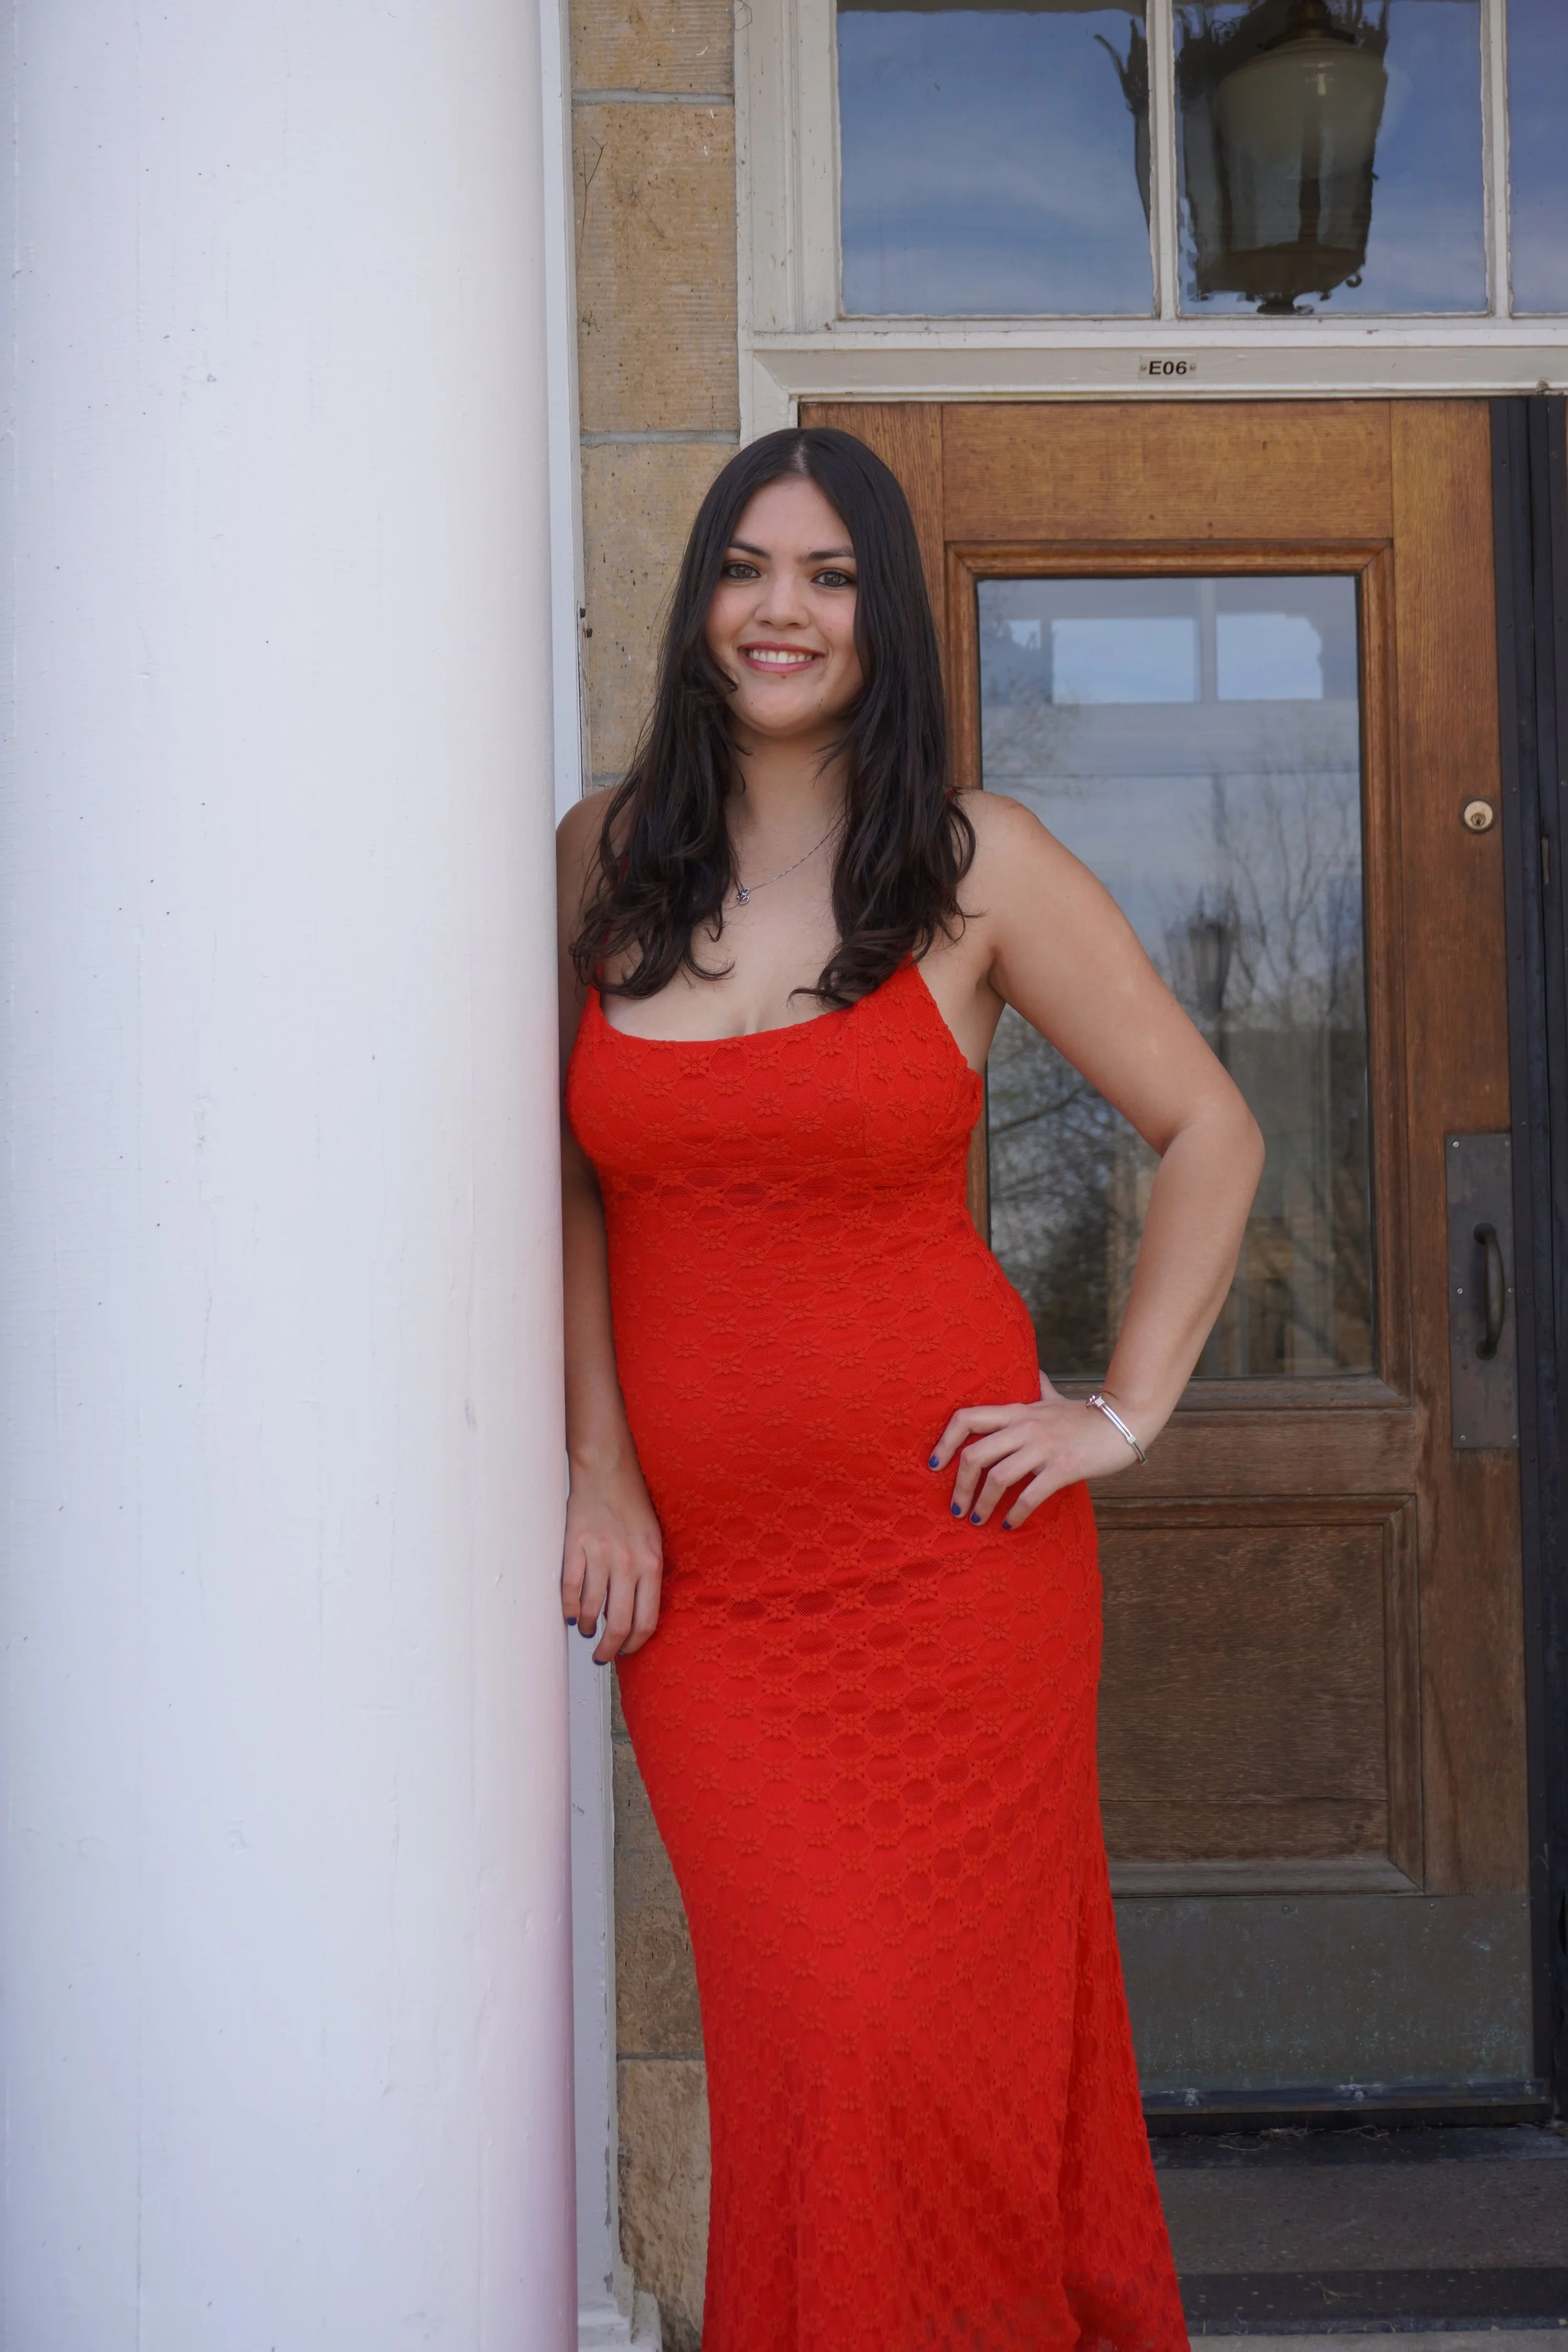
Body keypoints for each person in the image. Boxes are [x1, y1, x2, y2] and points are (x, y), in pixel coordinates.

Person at [557, 426, 1263, 2352]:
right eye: (744, 566)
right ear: (699, 598)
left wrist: (1116, 1411)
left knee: (919, 2056)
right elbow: (559, 1186)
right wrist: (600, 1469)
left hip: (953, 1571)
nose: (778, 609)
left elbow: (1207, 1128)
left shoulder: (972, 866)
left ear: (884, 616)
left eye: (829, 574)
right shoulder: (600, 859)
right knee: (811, 2042)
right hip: (714, 1604)